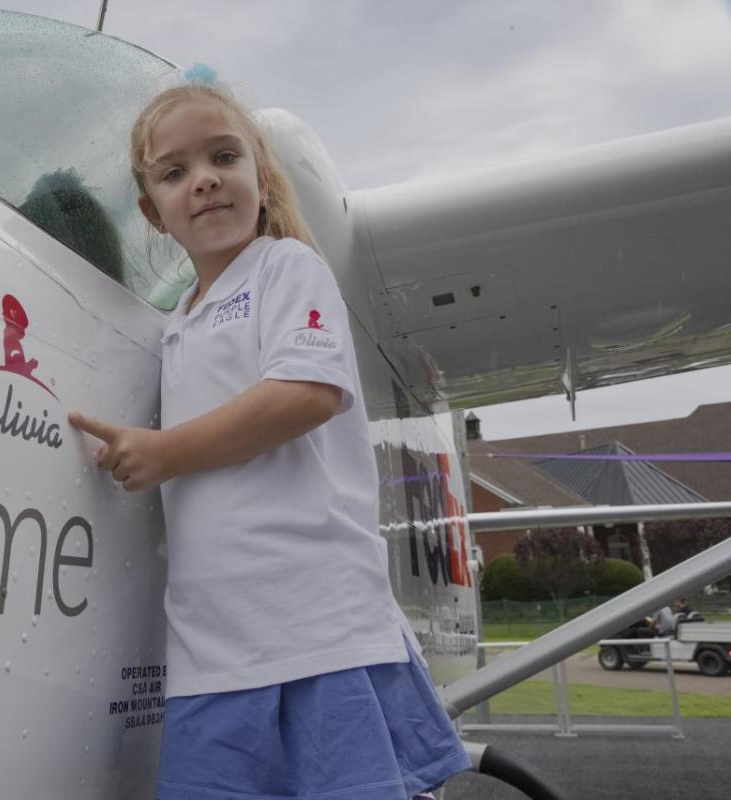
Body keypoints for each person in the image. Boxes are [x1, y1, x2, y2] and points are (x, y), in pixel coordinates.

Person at [68, 78, 469, 800]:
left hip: (316, 632)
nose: (205, 180)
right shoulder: (179, 322)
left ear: (259, 172)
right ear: (150, 212)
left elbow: (306, 393)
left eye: (224, 156)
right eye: (175, 171)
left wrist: (161, 453)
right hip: (211, 652)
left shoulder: (287, 267)